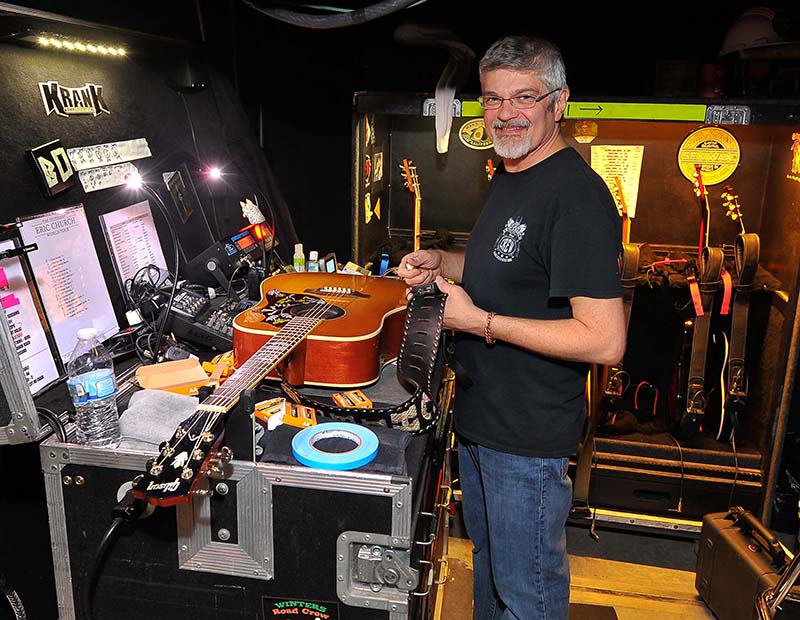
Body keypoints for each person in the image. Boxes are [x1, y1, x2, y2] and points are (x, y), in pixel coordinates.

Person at [399, 34, 626, 620]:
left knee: (528, 597)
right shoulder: (513, 174)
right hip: (485, 423)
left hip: (526, 440)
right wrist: (441, 263)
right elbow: (508, 266)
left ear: (560, 102)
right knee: (492, 575)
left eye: (523, 97)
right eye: (492, 99)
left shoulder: (576, 198)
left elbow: (603, 339)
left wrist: (481, 321)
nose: (504, 114)